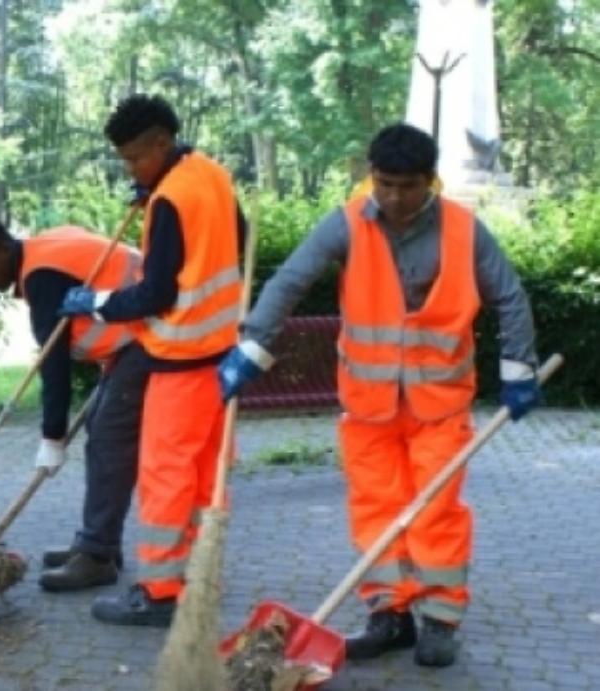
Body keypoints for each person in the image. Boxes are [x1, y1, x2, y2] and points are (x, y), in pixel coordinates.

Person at [219, 122, 540, 667]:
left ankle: (439, 620)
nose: (392, 196)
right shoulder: (347, 223)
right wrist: (252, 347)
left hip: (440, 406)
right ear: (372, 176)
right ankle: (388, 614)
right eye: (384, 183)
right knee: (376, 509)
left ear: (431, 182)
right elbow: (290, 281)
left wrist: (519, 368)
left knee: (436, 510)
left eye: (406, 185)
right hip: (368, 406)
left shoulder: (463, 230)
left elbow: (509, 297)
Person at [58, 94, 247, 626]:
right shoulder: (211, 174)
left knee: (166, 477)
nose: (130, 168)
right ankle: (200, 577)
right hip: (221, 358)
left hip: (180, 359)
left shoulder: (170, 198)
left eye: (134, 158)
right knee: (207, 476)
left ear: (161, 143)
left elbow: (156, 293)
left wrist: (97, 303)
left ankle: (161, 591)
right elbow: (238, 242)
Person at [0, 220, 148, 592]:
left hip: (148, 335)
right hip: (135, 337)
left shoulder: (41, 274)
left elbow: (54, 360)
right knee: (102, 433)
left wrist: (52, 435)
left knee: (109, 441)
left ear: (3, 246)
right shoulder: (43, 249)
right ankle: (99, 543)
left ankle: (97, 556)